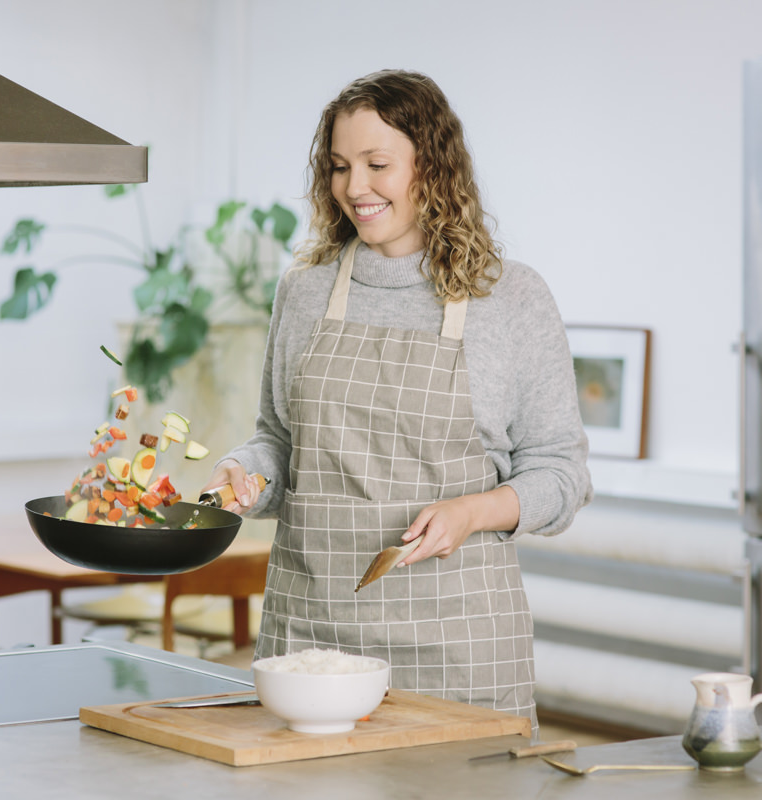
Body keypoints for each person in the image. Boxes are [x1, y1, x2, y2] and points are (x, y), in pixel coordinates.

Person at [200, 69, 592, 725]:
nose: (355, 188)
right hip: (314, 638)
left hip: (458, 644)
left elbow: (562, 472)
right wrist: (246, 473)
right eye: (339, 167)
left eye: (377, 164)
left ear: (431, 167)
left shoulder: (512, 298)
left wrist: (474, 511)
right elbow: (278, 440)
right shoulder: (304, 291)